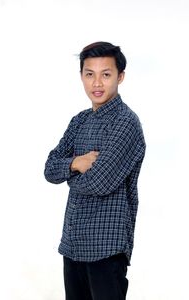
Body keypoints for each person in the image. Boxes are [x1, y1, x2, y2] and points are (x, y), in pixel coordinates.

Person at [44, 41, 146, 300]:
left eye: (106, 74)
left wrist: (68, 175)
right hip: (73, 244)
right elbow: (49, 169)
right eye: (90, 74)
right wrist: (76, 164)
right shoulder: (79, 120)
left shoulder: (126, 123)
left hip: (106, 248)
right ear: (81, 76)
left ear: (120, 77)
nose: (97, 83)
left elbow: (99, 182)